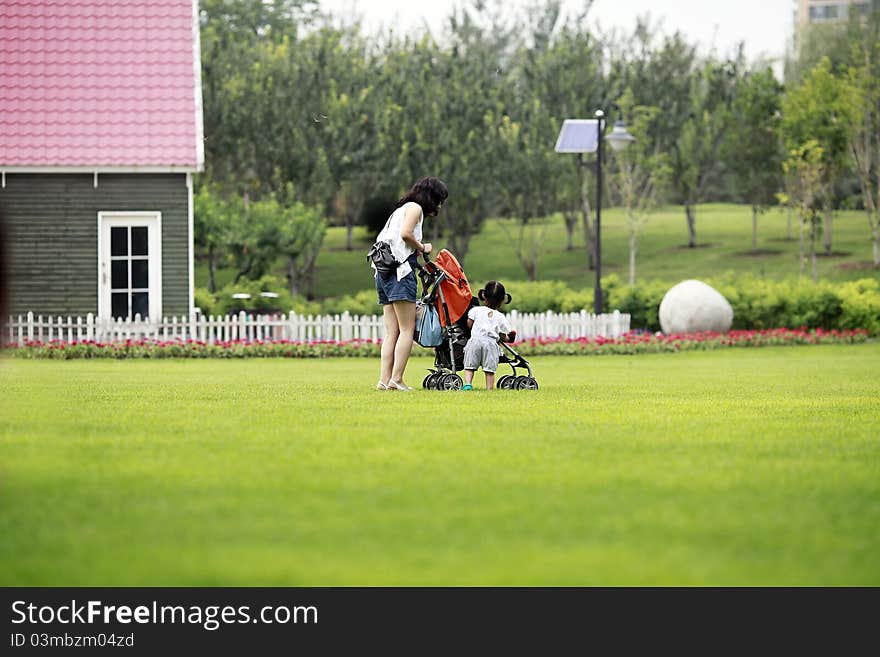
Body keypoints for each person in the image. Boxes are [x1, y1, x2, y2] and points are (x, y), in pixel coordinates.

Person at [373, 176, 448, 391]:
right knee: (407, 329)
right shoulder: (415, 208)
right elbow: (406, 234)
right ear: (431, 196)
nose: (440, 205)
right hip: (400, 273)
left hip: (382, 273)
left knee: (391, 332)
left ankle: (384, 380)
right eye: (439, 200)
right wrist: (422, 247)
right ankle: (397, 379)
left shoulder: (400, 209)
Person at [462, 280, 516, 391]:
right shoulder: (500, 317)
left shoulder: (475, 310)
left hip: (475, 342)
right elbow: (502, 336)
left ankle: (467, 384)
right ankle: (489, 389)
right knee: (489, 370)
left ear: (483, 296)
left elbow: (469, 324)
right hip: (490, 344)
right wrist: (510, 338)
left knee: (469, 366)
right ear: (502, 300)